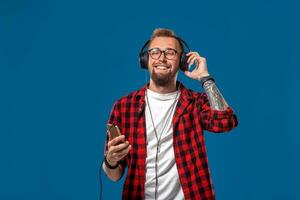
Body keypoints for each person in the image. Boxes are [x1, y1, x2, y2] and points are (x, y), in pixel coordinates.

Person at [102, 28, 238, 200]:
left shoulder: (195, 102)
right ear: (146, 59)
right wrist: (111, 160)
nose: (161, 58)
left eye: (170, 52)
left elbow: (226, 122)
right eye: (155, 52)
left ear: (182, 61)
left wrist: (205, 78)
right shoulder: (123, 107)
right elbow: (114, 176)